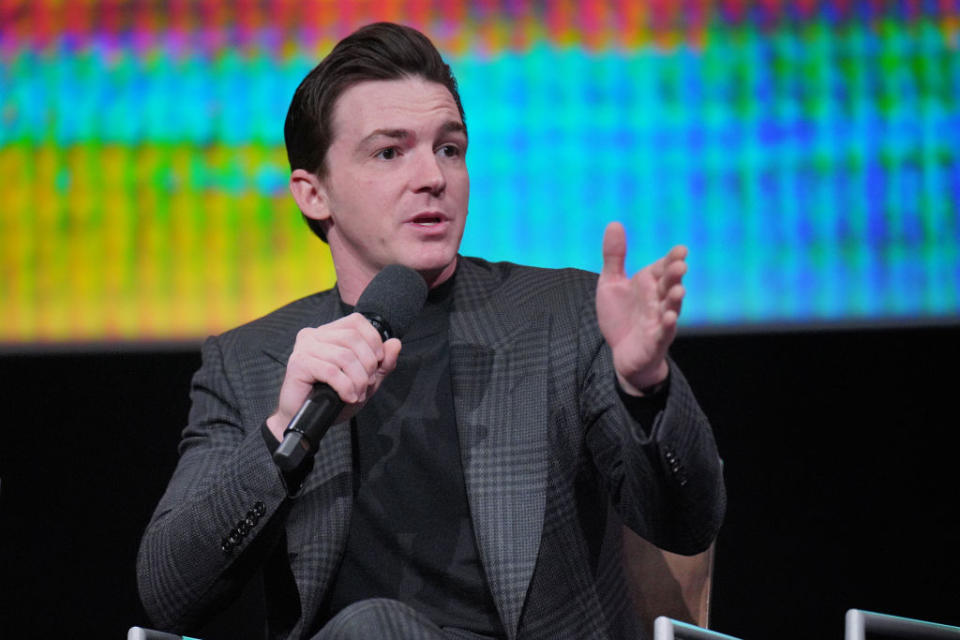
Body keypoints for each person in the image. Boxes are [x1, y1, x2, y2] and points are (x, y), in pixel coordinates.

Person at [137, 22, 725, 640]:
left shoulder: (563, 316)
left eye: (449, 149)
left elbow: (685, 525)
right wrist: (285, 435)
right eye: (390, 152)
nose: (433, 178)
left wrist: (645, 388)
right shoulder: (251, 360)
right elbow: (170, 594)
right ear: (314, 194)